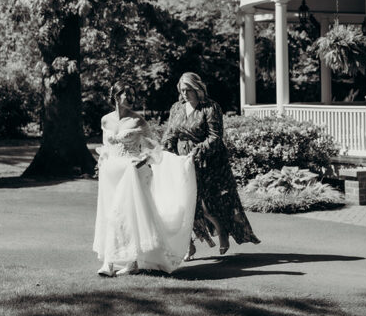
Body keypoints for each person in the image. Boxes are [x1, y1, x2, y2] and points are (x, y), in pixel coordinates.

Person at [93, 84, 196, 276]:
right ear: (116, 96)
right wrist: (103, 160)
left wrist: (140, 162)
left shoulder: (138, 121)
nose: (132, 97)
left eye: (134, 94)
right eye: (127, 94)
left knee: (124, 214)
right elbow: (106, 146)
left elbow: (154, 148)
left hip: (132, 173)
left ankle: (114, 263)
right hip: (111, 174)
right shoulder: (105, 119)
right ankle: (124, 262)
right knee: (109, 213)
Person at [162, 72, 260, 259]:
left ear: (198, 89)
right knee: (183, 204)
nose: (185, 94)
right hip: (182, 161)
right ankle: (188, 245)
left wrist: (197, 151)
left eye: (188, 90)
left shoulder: (210, 107)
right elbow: (170, 133)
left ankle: (221, 230)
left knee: (206, 206)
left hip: (208, 162)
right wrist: (164, 150)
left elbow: (215, 137)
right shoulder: (176, 108)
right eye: (182, 90)